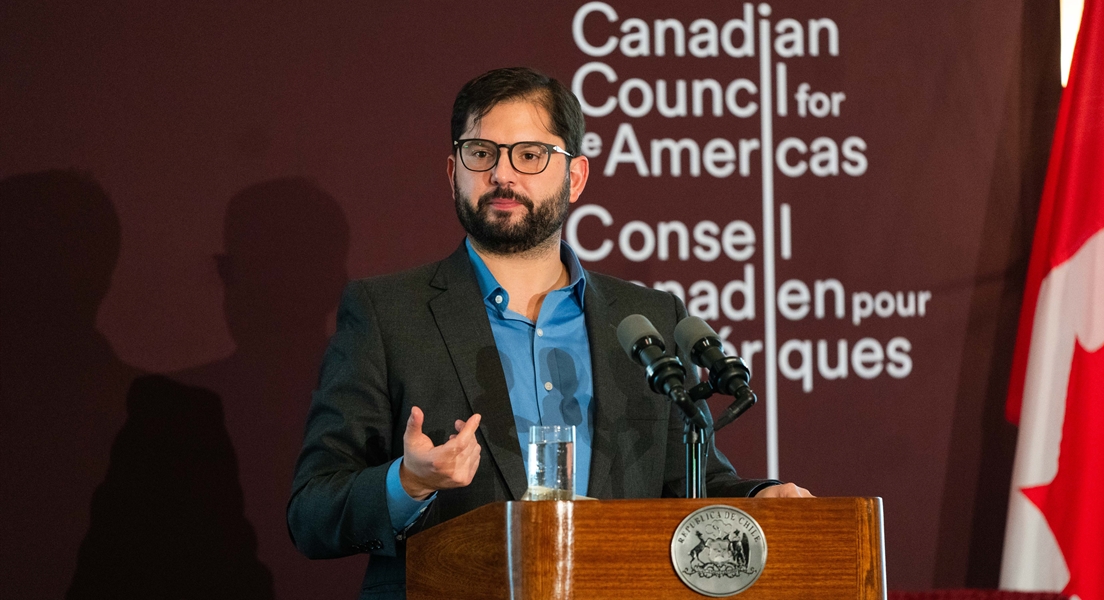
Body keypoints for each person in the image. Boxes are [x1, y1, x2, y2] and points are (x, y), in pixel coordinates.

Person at [287, 66, 812, 599]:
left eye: (530, 154)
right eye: (482, 153)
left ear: (576, 177)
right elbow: (312, 511)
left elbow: (691, 484)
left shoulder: (648, 320)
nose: (502, 174)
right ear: (453, 172)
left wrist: (759, 498)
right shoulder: (386, 314)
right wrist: (408, 482)